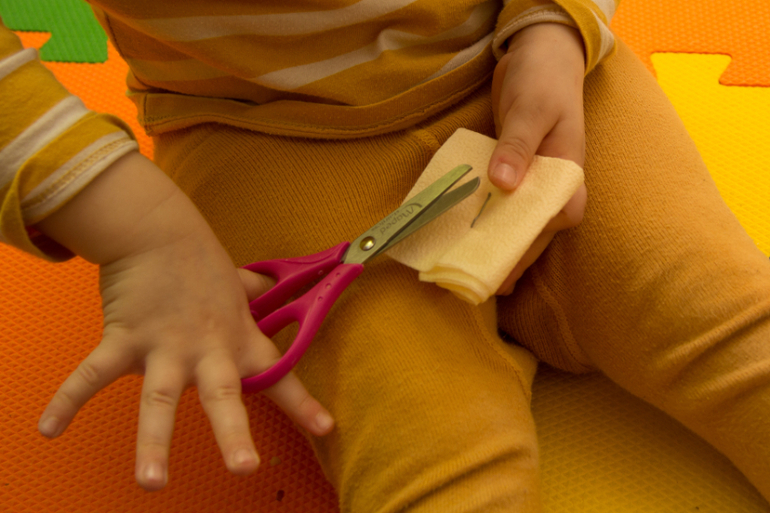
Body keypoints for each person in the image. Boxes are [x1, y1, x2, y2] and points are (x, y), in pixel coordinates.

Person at [2, 1, 769, 511]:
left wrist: (555, 26)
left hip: (532, 66)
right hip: (255, 138)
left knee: (735, 330)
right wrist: (129, 222)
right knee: (436, 474)